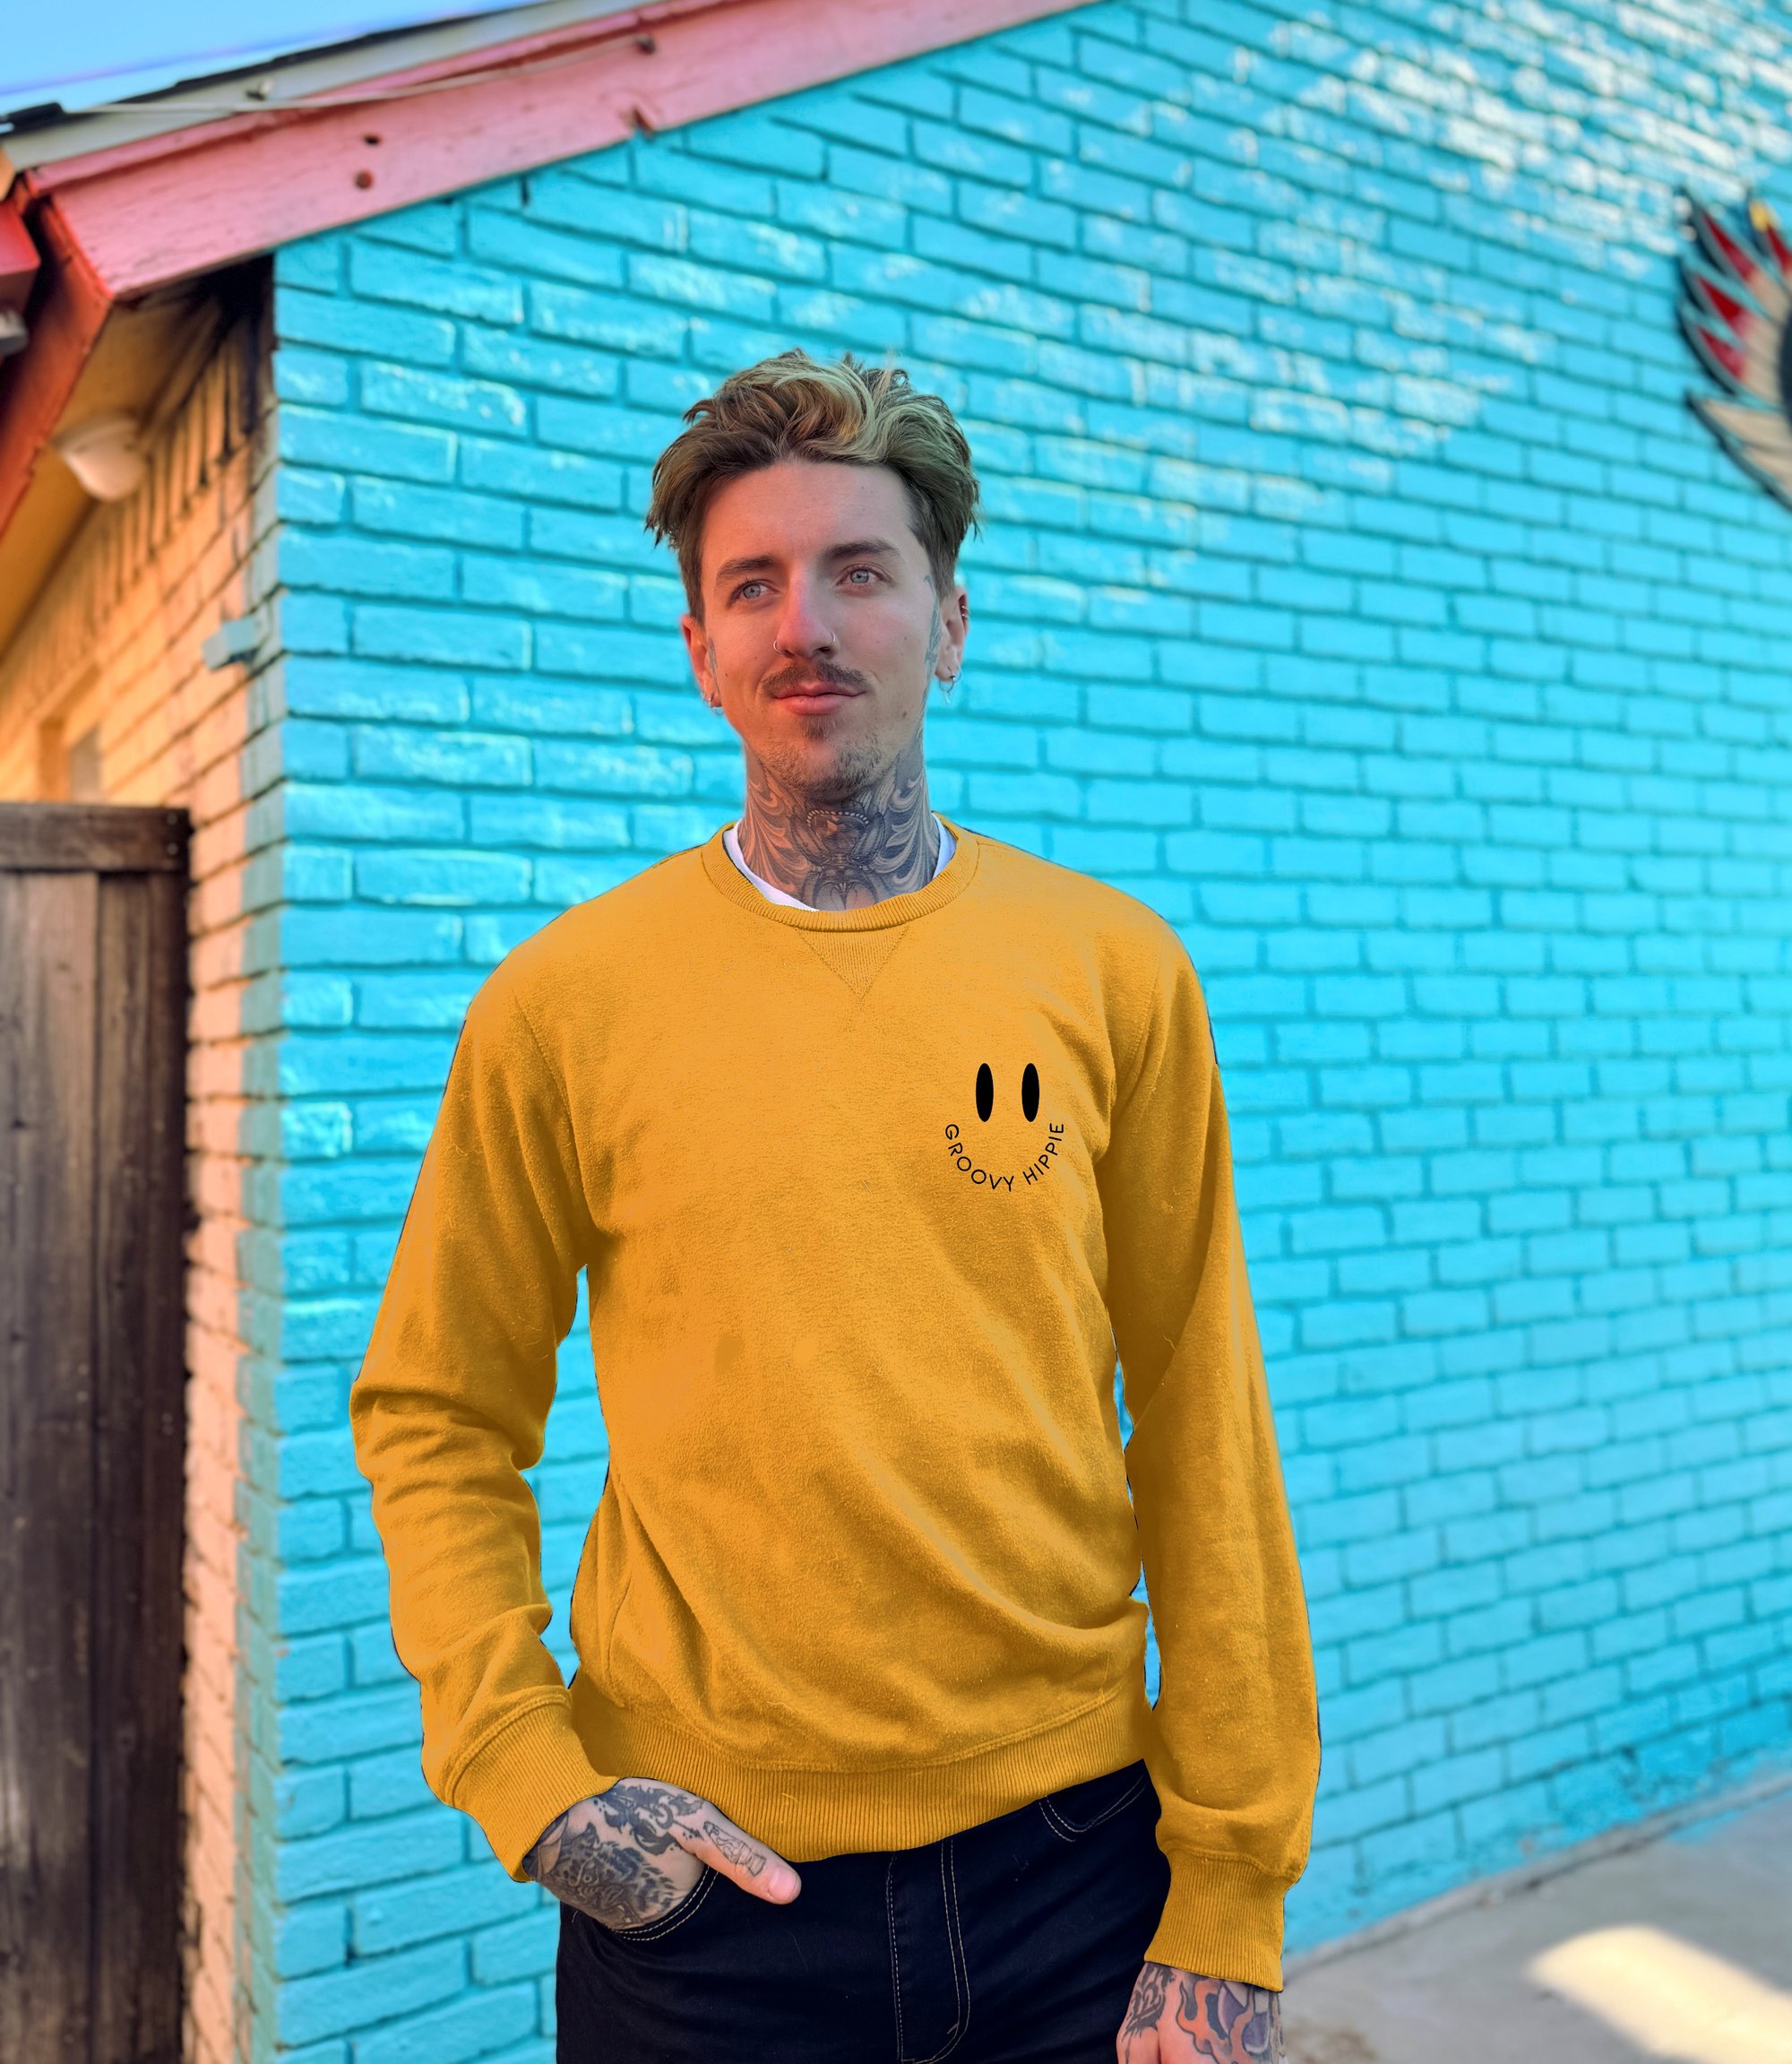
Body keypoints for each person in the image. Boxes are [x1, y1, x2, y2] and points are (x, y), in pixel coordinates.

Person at [350, 350, 1320, 2063]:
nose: (806, 623)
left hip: (1078, 1872)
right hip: (705, 1916)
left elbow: (1202, 1419)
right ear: (702, 650)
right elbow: (439, 1410)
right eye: (753, 584)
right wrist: (529, 1776)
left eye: (861, 572)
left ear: (947, 624)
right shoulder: (563, 1006)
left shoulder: (1112, 973)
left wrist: (1232, 1889)